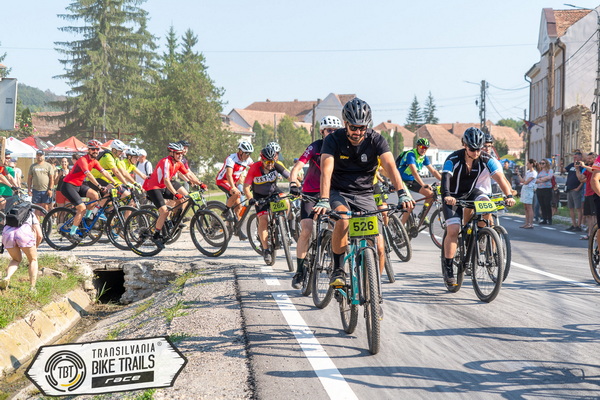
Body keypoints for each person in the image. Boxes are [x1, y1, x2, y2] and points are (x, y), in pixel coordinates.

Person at [312, 98, 414, 288]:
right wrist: (324, 199)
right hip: (338, 192)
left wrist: (402, 193)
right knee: (342, 220)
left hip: (365, 194)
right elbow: (326, 170)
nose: (358, 132)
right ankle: (338, 269)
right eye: (353, 127)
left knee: (379, 247)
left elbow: (390, 166)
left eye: (362, 128)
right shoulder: (333, 140)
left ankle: (374, 291)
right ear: (345, 123)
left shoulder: (376, 139)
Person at [440, 127, 516, 286]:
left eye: (479, 149)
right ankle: (448, 268)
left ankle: (481, 234)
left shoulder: (486, 158)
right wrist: (447, 195)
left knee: (488, 206)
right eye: (472, 149)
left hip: (472, 192)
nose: (476, 152)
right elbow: (445, 178)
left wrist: (508, 195)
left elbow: (500, 178)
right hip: (452, 195)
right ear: (464, 145)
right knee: (453, 230)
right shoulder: (453, 159)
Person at [288, 115, 343, 289]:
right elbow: (297, 167)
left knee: (338, 226)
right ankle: (299, 272)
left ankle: (335, 263)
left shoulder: (342, 147)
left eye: (335, 130)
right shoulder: (315, 146)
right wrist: (293, 182)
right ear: (322, 132)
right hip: (311, 193)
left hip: (331, 193)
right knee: (306, 229)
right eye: (329, 130)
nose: (332, 133)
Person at [142, 142, 204, 249]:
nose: (180, 155)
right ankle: (156, 236)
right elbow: (166, 180)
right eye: (178, 153)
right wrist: (175, 193)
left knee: (183, 200)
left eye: (181, 153)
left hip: (163, 186)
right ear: (171, 153)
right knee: (164, 211)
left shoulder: (178, 163)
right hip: (153, 187)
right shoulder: (165, 162)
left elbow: (188, 174)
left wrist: (200, 183)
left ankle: (174, 222)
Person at [60, 140, 118, 242]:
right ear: (89, 150)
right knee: (82, 208)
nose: (95, 151)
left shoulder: (95, 161)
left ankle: (87, 219)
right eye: (93, 149)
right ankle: (72, 233)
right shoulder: (83, 160)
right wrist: (99, 186)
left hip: (79, 185)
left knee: (95, 195)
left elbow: (104, 172)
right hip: (68, 185)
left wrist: (116, 183)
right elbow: (89, 175)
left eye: (97, 149)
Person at [243, 146, 292, 265]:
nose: (270, 165)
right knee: (263, 220)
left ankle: (282, 224)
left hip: (273, 192)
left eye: (272, 161)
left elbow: (290, 176)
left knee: (286, 201)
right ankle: (266, 250)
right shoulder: (254, 168)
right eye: (267, 162)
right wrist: (250, 199)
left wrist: (297, 186)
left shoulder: (276, 165)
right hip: (259, 196)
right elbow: (246, 187)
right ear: (262, 160)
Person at [397, 137, 442, 223]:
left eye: (426, 148)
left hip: (411, 180)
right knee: (410, 204)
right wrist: (423, 184)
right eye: (422, 147)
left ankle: (422, 215)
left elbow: (433, 171)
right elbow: (414, 172)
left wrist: (444, 181)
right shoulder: (411, 154)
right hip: (401, 180)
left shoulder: (424, 157)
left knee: (431, 195)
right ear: (417, 146)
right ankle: (401, 227)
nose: (423, 150)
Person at [215, 141, 254, 239]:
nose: (248, 155)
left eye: (250, 153)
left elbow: (255, 169)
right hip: (223, 180)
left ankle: (237, 230)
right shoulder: (231, 158)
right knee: (236, 193)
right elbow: (228, 175)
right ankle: (225, 212)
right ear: (240, 151)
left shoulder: (247, 159)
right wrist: (233, 187)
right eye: (246, 153)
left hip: (234, 183)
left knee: (239, 207)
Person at [0, 205, 43, 292]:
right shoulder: (31, 214)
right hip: (23, 233)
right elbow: (39, 235)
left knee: (16, 259)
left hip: (8, 234)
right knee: (33, 260)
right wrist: (35, 247)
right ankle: (32, 287)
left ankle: (7, 277)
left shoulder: (10, 213)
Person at [576, 152, 597, 240]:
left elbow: (593, 170)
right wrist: (577, 169)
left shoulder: (596, 167)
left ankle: (595, 234)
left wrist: (584, 166)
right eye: (588, 158)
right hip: (587, 193)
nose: (588, 160)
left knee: (594, 215)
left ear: (595, 159)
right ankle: (590, 234)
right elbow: (581, 178)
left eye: (590, 158)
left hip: (594, 193)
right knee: (588, 215)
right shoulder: (588, 168)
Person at [563, 151, 584, 231]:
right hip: (569, 188)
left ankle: (579, 225)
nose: (574, 159)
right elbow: (564, 170)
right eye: (574, 157)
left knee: (578, 207)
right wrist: (561, 165)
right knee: (571, 207)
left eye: (576, 157)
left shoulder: (582, 166)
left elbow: (583, 178)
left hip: (576, 189)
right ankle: (573, 224)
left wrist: (579, 187)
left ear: (580, 158)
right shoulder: (572, 165)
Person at [517, 159, 538, 229]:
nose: (527, 164)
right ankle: (526, 223)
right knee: (525, 207)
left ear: (532, 164)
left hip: (529, 190)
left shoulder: (534, 173)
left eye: (528, 163)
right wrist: (518, 174)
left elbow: (526, 182)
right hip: (524, 189)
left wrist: (523, 182)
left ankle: (531, 223)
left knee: (529, 207)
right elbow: (523, 180)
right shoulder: (528, 172)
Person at [535, 159, 554, 225]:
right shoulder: (539, 171)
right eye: (540, 163)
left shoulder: (550, 170)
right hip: (539, 189)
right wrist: (542, 179)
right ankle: (544, 218)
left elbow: (549, 177)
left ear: (546, 164)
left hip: (547, 189)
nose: (541, 164)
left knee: (547, 204)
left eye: (543, 163)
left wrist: (540, 179)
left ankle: (549, 219)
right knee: (542, 204)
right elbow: (535, 180)